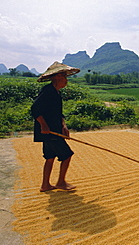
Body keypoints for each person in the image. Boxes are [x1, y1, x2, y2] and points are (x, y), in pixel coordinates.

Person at [31, 61, 80, 192]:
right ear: (57, 77)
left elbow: (58, 114)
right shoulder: (48, 91)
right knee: (67, 155)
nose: (66, 80)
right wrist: (44, 126)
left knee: (50, 157)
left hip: (53, 131)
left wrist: (63, 126)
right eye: (64, 77)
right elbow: (35, 109)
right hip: (50, 132)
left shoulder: (55, 92)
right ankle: (61, 182)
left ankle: (45, 185)